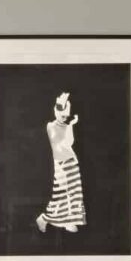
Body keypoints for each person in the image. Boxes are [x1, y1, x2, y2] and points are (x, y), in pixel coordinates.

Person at [35, 92, 85, 234]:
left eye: (66, 116)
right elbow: (58, 144)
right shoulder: (50, 126)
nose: (64, 118)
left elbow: (69, 143)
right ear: (56, 111)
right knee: (61, 193)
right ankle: (44, 218)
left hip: (71, 162)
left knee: (74, 192)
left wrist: (71, 125)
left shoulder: (65, 126)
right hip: (61, 164)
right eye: (62, 115)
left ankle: (69, 220)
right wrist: (62, 103)